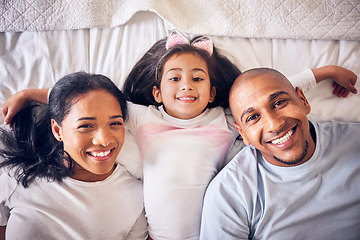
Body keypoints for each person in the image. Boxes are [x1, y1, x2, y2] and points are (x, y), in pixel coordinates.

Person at [0, 30, 358, 240]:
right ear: (157, 93)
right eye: (175, 78)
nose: (186, 85)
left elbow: (273, 92)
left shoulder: (225, 119)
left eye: (197, 78)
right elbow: (85, 104)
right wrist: (32, 95)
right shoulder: (141, 118)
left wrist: (325, 71)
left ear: (212, 91)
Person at [199, 68, 360, 239]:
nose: (274, 125)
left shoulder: (355, 143)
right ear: (243, 134)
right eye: (252, 117)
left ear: (303, 100)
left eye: (279, 103)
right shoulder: (229, 193)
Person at [0, 72, 147, 240]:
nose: (105, 140)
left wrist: (27, 94)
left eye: (115, 123)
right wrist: (25, 95)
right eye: (85, 125)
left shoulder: (135, 197)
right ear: (57, 130)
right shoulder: (19, 177)